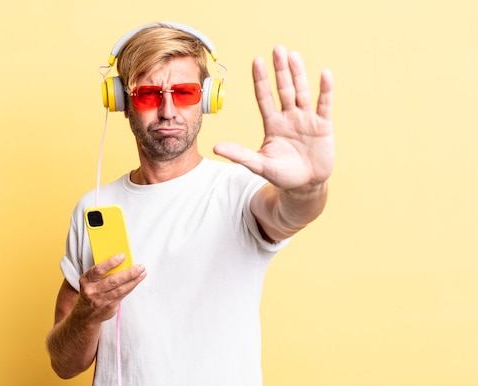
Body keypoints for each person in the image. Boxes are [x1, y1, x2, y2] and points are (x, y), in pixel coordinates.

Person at [46, 22, 334, 385]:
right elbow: (64, 364)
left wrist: (309, 187)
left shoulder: (237, 191)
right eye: (149, 94)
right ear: (120, 101)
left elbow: (289, 213)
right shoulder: (95, 208)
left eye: (184, 92)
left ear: (209, 99)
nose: (168, 111)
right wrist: (88, 314)